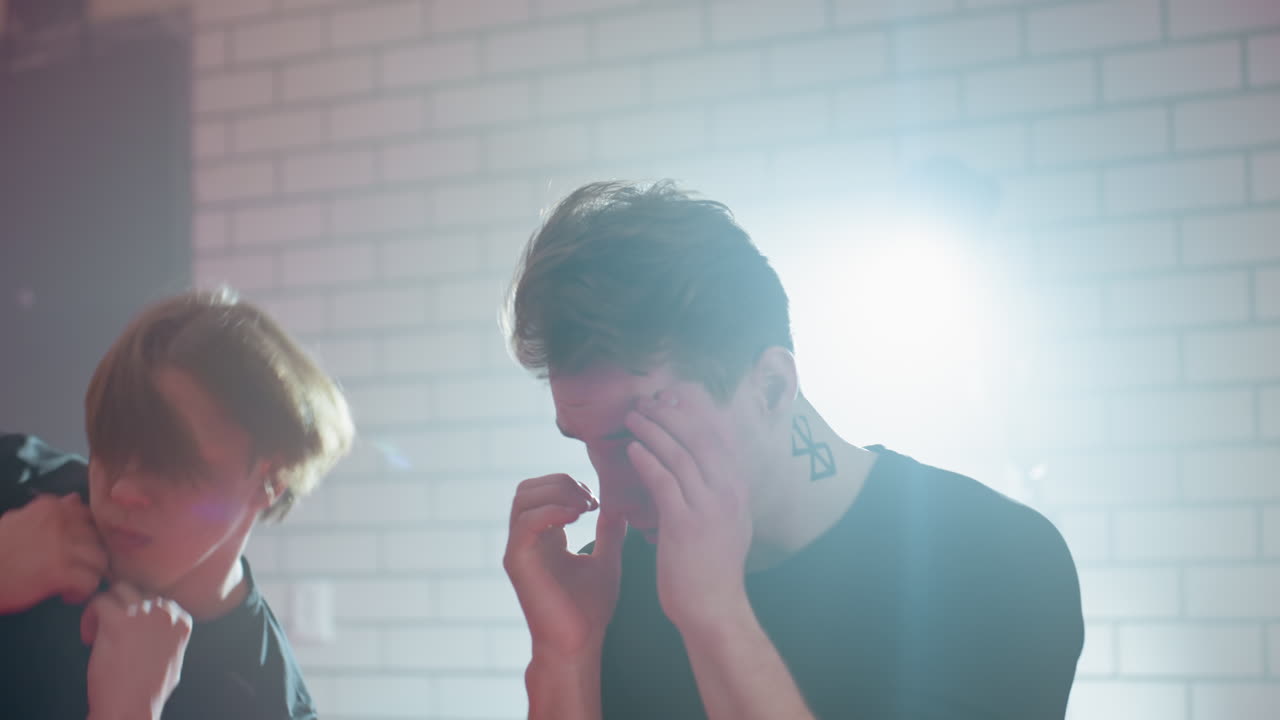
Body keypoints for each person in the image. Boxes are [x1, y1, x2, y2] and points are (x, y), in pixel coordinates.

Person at [501, 181, 1084, 719]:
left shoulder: (996, 558)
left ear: (772, 387)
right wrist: (567, 656)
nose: (615, 499)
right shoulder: (613, 584)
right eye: (589, 446)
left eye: (639, 439)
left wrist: (717, 618)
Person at [0, 288, 354, 720]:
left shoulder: (265, 707)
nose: (121, 491)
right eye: (109, 446)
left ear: (271, 479)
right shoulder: (15, 483)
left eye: (171, 463)